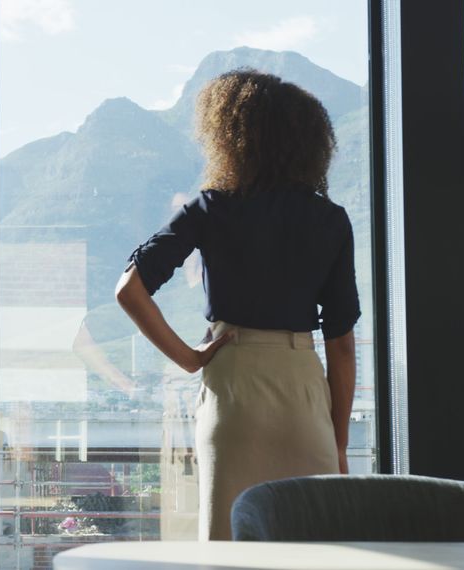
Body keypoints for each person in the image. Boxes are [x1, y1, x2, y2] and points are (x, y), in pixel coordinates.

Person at [114, 69, 359, 541]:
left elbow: (130, 289)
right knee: (312, 546)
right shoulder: (330, 220)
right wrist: (339, 443)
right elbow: (342, 346)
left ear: (231, 137)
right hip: (301, 387)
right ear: (311, 144)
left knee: (230, 544)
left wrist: (190, 359)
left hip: (233, 386)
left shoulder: (213, 207)